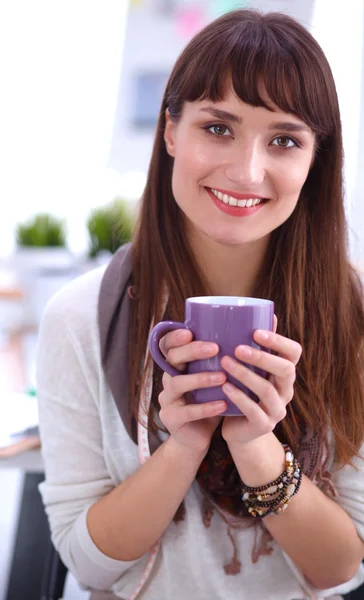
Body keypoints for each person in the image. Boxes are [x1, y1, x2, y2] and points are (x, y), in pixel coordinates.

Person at [36, 9, 364, 600]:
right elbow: (89, 565)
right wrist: (184, 443)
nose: (246, 171)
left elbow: (342, 567)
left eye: (285, 140)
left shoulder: (353, 315)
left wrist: (256, 445)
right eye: (218, 128)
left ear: (314, 161)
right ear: (170, 131)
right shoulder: (81, 318)